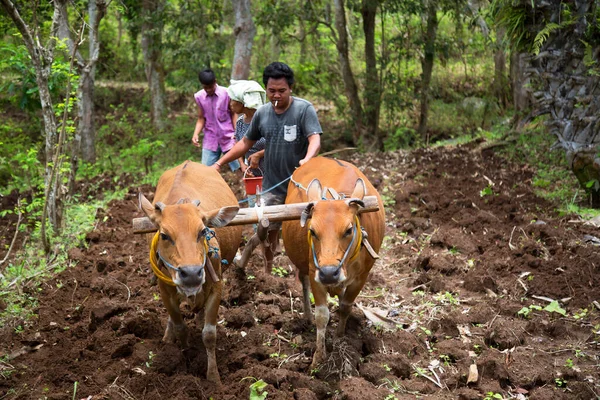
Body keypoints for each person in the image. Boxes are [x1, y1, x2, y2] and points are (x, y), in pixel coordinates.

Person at [212, 62, 322, 269]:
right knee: (267, 230)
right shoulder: (262, 113)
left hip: (301, 184)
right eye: (272, 91)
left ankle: (304, 272)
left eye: (282, 91)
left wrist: (307, 159)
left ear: (290, 88)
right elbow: (244, 144)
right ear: (266, 90)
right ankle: (268, 271)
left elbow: (314, 138)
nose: (277, 95)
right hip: (273, 184)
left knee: (307, 231)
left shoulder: (303, 109)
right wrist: (219, 163)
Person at [191, 68, 241, 172]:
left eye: (211, 87)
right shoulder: (199, 97)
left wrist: (237, 133)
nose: (209, 90)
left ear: (215, 81)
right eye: (206, 87)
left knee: (240, 168)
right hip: (210, 139)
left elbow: (233, 114)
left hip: (228, 138)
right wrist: (196, 134)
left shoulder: (226, 93)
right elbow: (201, 118)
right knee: (205, 172)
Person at [227, 79, 267, 178]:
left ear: (242, 102)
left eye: (232, 100)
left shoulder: (267, 119)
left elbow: (279, 145)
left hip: (273, 174)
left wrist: (259, 155)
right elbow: (238, 144)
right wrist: (242, 164)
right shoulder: (240, 122)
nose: (230, 104)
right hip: (254, 175)